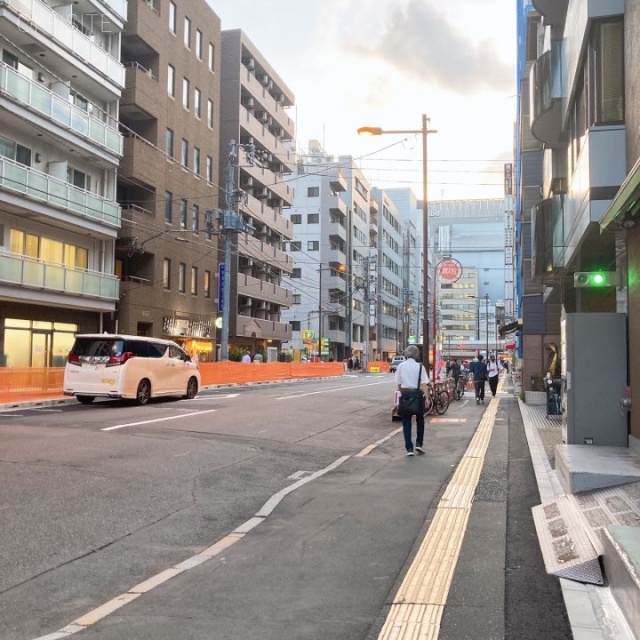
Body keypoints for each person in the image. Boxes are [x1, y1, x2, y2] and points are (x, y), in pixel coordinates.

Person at [395, 344, 429, 456]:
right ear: (417, 355)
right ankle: (419, 444)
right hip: (418, 395)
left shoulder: (401, 366)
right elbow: (424, 384)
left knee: (406, 422)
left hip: (405, 395)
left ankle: (409, 449)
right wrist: (427, 398)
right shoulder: (420, 367)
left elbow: (399, 384)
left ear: (406, 354)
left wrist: (403, 392)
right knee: (420, 420)